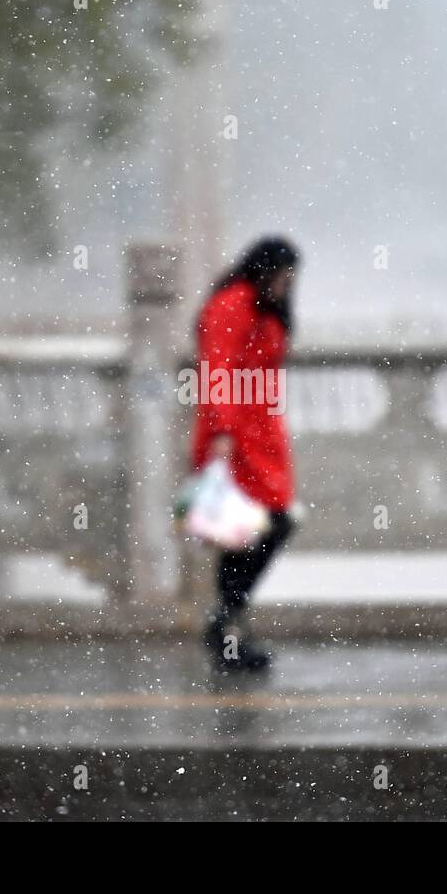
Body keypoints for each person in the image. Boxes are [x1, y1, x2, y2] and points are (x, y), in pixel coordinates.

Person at [190, 236, 299, 671]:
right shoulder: (232, 304)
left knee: (260, 526)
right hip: (235, 433)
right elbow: (217, 365)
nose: (288, 285)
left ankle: (228, 623)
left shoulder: (265, 308)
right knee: (256, 526)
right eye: (284, 275)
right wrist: (220, 429)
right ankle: (226, 623)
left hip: (261, 431)